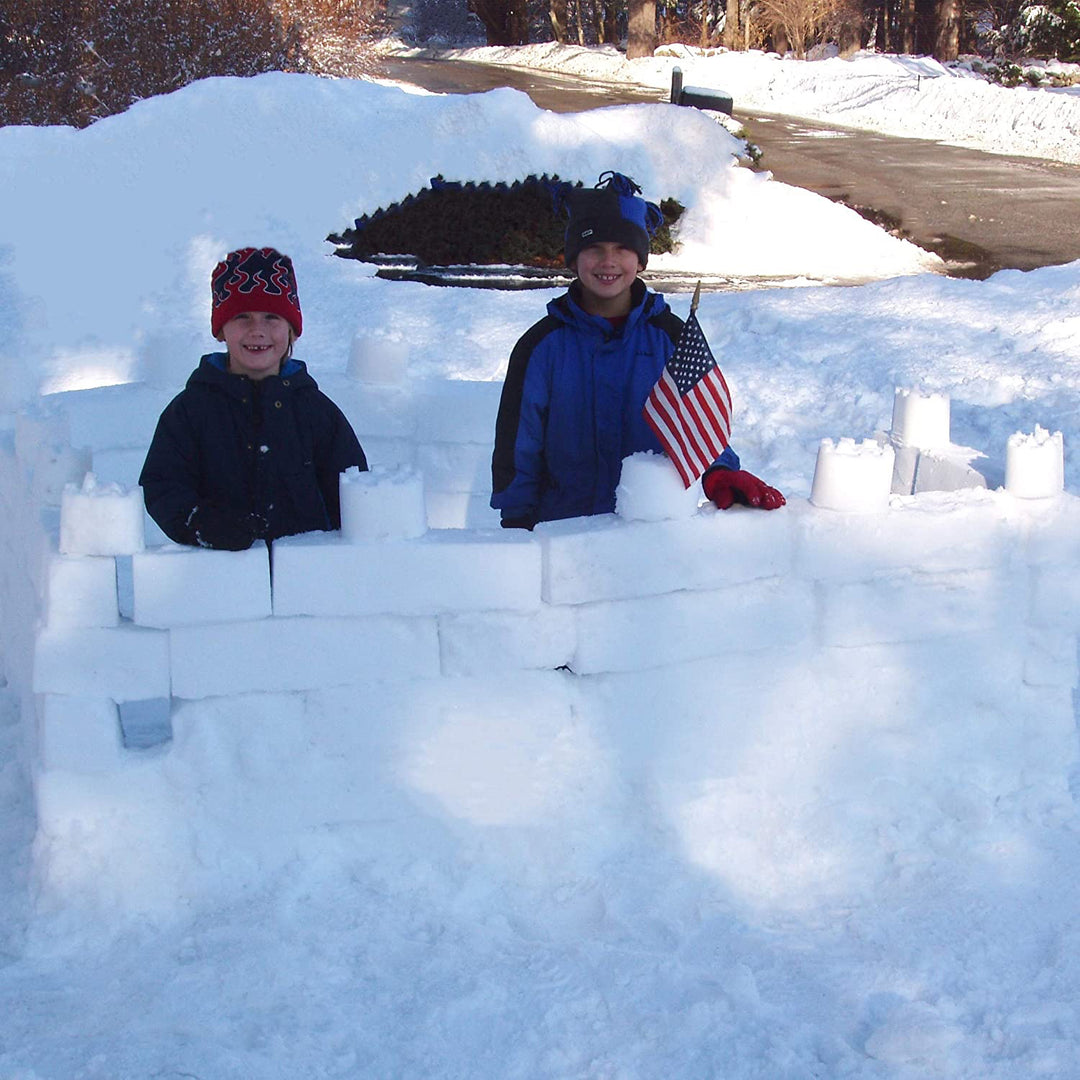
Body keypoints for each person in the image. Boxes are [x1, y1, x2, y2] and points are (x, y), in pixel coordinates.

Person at [490, 172, 784, 529]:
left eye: (622, 248)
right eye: (594, 248)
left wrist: (719, 473)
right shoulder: (541, 346)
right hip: (562, 532)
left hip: (649, 536)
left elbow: (699, 422)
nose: (608, 261)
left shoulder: (672, 338)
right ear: (573, 257)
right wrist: (518, 523)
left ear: (641, 260)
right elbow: (519, 445)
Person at [140, 246, 367, 550]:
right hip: (219, 570)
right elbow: (163, 484)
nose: (257, 330)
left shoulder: (317, 412)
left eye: (272, 317)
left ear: (292, 331)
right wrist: (202, 522)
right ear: (221, 330)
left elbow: (355, 493)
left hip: (308, 572)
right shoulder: (190, 411)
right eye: (242, 317)